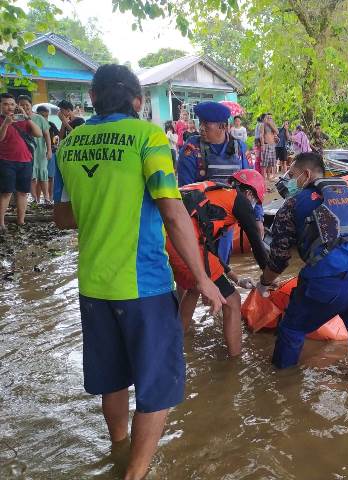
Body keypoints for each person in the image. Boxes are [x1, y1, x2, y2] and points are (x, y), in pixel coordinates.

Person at [53, 64, 226, 480]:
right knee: (158, 387)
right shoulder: (147, 137)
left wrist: (104, 204)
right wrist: (203, 280)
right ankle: (134, 473)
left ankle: (118, 451)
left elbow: (62, 217)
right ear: (137, 101)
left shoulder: (71, 142)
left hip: (93, 284)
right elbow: (172, 210)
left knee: (113, 380)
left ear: (92, 98)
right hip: (143, 284)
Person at [257, 152, 348, 383]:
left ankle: (281, 387)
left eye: (292, 174)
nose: (287, 180)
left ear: (306, 175)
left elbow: (279, 258)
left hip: (326, 284)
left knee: (292, 330)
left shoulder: (292, 205)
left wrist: (264, 283)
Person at [167, 170, 269, 355]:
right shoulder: (240, 200)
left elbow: (210, 252)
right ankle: (235, 361)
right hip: (184, 243)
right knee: (233, 300)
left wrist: (236, 279)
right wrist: (268, 277)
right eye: (255, 201)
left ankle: (176, 343)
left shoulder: (216, 195)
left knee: (193, 288)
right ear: (250, 193)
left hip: (170, 239)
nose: (253, 206)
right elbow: (257, 244)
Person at [177, 101, 251, 266]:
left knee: (221, 268)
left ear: (223, 126)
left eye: (206, 124)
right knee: (196, 273)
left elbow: (250, 184)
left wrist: (257, 218)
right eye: (200, 123)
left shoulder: (239, 149)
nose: (201, 128)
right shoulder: (191, 150)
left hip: (227, 223)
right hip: (199, 223)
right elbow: (185, 191)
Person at [0, 93, 43, 232]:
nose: (9, 107)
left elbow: (39, 134)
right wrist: (6, 123)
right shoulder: (1, 120)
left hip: (26, 161)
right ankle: (1, 223)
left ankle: (21, 221)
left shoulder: (22, 119)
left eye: (12, 104)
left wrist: (26, 116)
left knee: (23, 192)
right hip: (6, 161)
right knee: (6, 193)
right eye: (5, 104)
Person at [17, 96, 52, 205]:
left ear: (31, 105)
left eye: (27, 104)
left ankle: (46, 198)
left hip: (40, 151)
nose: (24, 107)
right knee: (32, 175)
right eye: (22, 104)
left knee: (43, 174)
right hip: (26, 152)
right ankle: (34, 199)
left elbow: (46, 135)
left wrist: (49, 150)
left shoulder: (39, 118)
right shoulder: (17, 119)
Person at [36, 105, 60, 197]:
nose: (45, 118)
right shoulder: (33, 125)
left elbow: (57, 138)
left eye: (46, 116)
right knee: (38, 178)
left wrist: (53, 147)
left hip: (51, 154)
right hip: (38, 154)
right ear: (37, 115)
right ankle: (37, 199)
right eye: (42, 116)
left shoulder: (51, 125)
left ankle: (50, 198)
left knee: (51, 177)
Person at [260, 113, 279, 181]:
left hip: (273, 145)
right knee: (264, 163)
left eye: (271, 118)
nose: (269, 119)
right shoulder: (263, 125)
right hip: (266, 145)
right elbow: (261, 135)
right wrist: (262, 145)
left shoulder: (273, 125)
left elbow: (277, 132)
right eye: (268, 118)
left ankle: (268, 176)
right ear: (266, 118)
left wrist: (271, 124)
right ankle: (263, 177)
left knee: (271, 163)